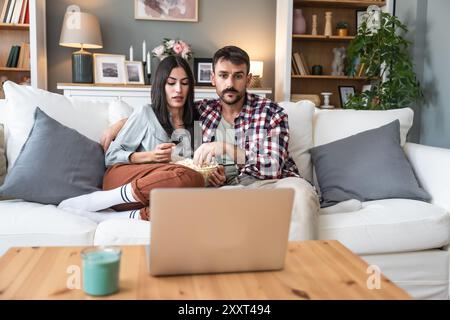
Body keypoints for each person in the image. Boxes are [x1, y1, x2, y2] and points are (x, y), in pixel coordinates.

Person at [102, 46, 301, 187]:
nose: (230, 83)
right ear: (213, 78)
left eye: (238, 76)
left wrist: (224, 148)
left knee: (299, 194)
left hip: (273, 184)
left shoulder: (271, 113)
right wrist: (122, 123)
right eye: (223, 75)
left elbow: (273, 168)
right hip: (228, 189)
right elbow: (163, 113)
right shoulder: (204, 112)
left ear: (248, 79)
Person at [58, 56, 205, 221]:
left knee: (195, 190)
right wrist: (150, 156)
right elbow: (111, 156)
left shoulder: (197, 121)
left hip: (160, 190)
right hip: (122, 180)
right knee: (189, 176)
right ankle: (97, 200)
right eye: (171, 83)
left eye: (184, 83)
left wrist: (211, 173)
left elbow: (197, 165)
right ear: (160, 85)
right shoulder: (146, 113)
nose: (178, 89)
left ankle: (118, 217)